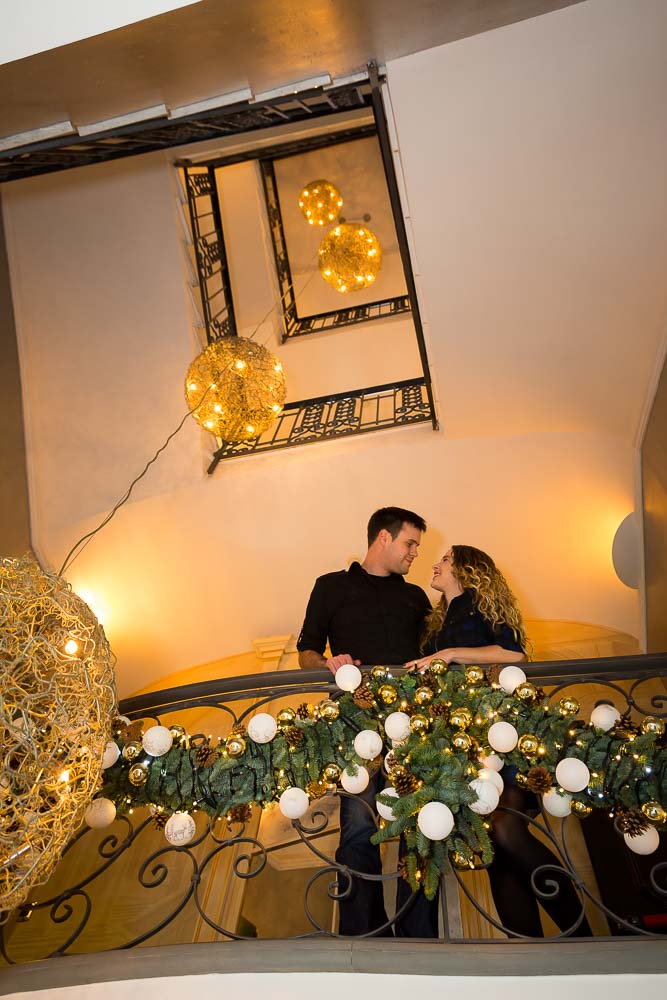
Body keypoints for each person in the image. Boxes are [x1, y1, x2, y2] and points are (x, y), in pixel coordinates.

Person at [408, 545, 591, 938]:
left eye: (444, 559)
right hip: (457, 743)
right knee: (493, 844)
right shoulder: (435, 622)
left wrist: (451, 653)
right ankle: (528, 950)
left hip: (500, 731)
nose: (435, 564)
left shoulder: (482, 604)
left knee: (507, 828)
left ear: (467, 568)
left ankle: (582, 935)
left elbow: (513, 653)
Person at [297, 506, 434, 936]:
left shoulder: (416, 597)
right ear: (383, 539)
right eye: (410, 543)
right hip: (354, 721)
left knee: (421, 821)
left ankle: (419, 939)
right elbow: (306, 653)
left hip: (415, 722)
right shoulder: (330, 586)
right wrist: (327, 662)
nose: (415, 553)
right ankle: (363, 936)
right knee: (358, 823)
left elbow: (435, 653)